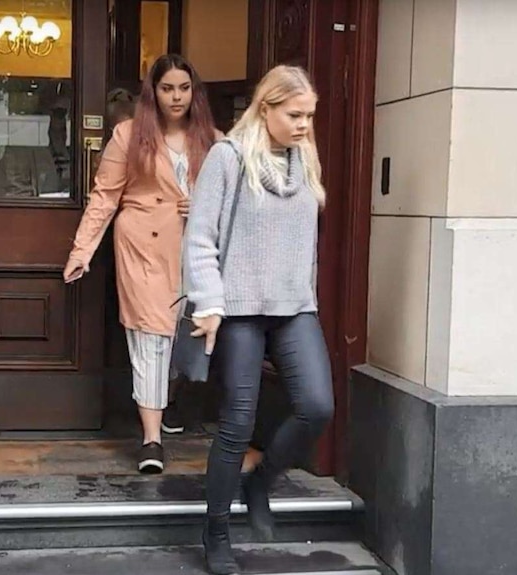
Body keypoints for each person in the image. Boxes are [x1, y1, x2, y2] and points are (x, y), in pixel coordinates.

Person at [183, 65, 334, 574]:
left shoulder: (303, 158)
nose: (303, 125)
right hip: (240, 310)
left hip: (294, 308)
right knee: (237, 422)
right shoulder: (227, 158)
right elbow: (200, 238)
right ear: (265, 107)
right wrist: (208, 302)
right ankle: (217, 530)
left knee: (317, 406)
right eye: (294, 114)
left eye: (309, 115)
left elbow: (304, 241)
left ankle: (260, 481)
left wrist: (305, 290)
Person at [63, 54, 218, 473]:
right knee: (150, 335)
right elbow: (104, 197)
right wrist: (82, 251)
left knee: (185, 337)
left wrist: (202, 204)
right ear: (153, 92)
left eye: (184, 88)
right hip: (143, 247)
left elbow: (233, 199)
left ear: (194, 92)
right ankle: (151, 439)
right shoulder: (128, 135)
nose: (176, 97)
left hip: (194, 250)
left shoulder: (212, 139)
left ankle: (167, 407)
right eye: (167, 88)